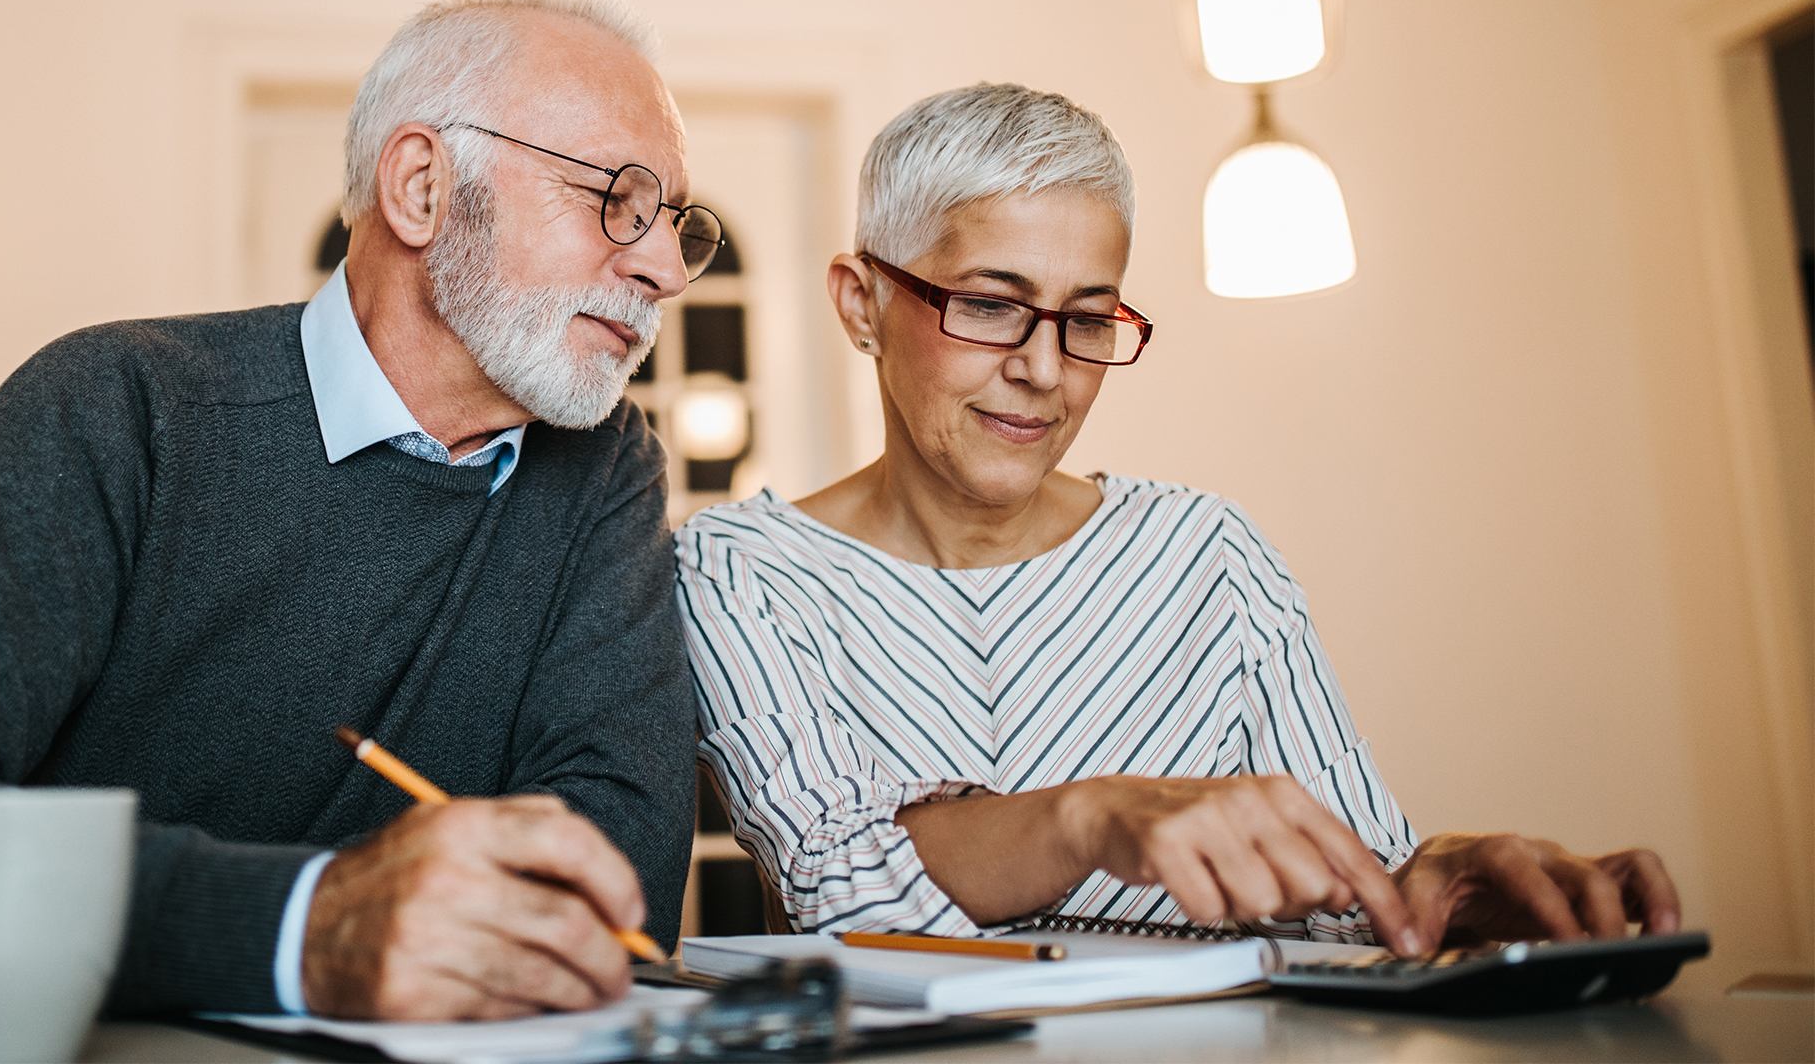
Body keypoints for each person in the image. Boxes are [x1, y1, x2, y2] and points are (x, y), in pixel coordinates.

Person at [677, 83, 1681, 955]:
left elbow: (1349, 901)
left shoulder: (1211, 555)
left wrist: (1447, 883)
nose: (1043, 366)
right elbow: (842, 888)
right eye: (990, 303)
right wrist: (1091, 814)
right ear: (861, 305)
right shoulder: (738, 570)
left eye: (1088, 318)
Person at [0, 0, 715, 1019]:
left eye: (674, 221)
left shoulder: (604, 469)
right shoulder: (117, 405)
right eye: (618, 199)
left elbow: (614, 896)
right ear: (421, 187)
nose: (663, 269)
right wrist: (301, 923)